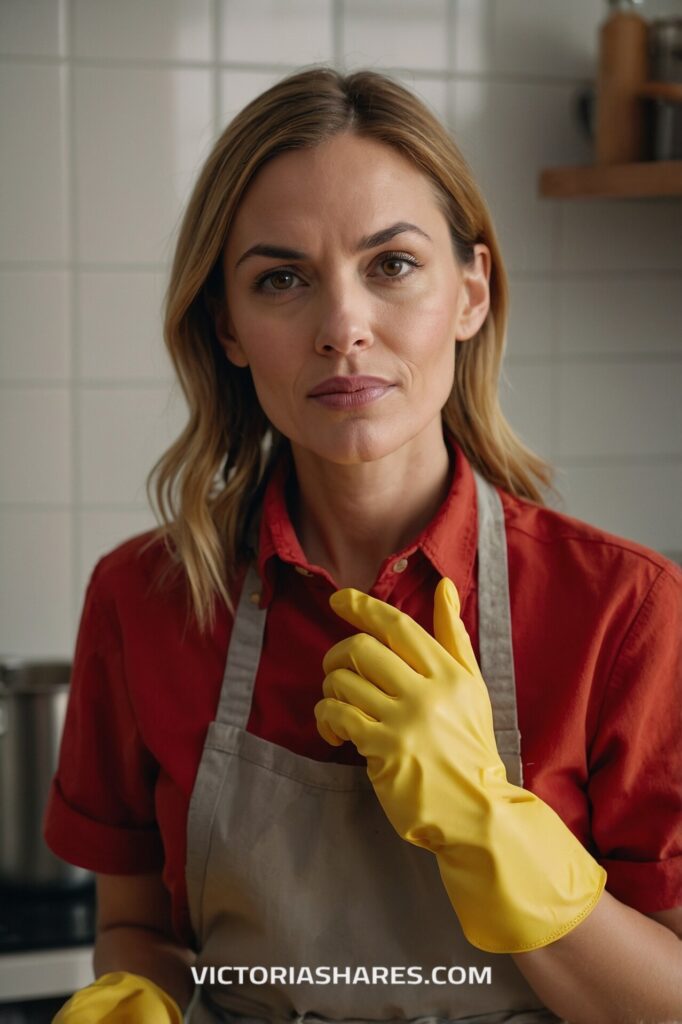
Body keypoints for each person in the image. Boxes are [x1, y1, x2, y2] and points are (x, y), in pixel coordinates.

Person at [44, 65, 681, 1024]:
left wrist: (492, 834)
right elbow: (138, 926)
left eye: (391, 265)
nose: (342, 328)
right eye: (282, 279)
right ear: (227, 326)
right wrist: (139, 992)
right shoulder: (144, 601)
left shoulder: (627, 612)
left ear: (470, 292)